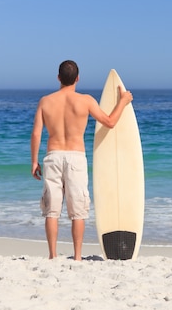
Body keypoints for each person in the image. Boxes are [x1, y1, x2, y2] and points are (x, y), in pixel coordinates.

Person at [30, 60, 133, 260]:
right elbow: (110, 122)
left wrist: (34, 161)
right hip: (76, 158)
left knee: (52, 210)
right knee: (78, 211)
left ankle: (53, 255)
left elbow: (36, 134)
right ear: (78, 78)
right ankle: (77, 257)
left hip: (53, 156)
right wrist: (123, 101)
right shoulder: (85, 101)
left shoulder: (45, 101)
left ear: (58, 77)